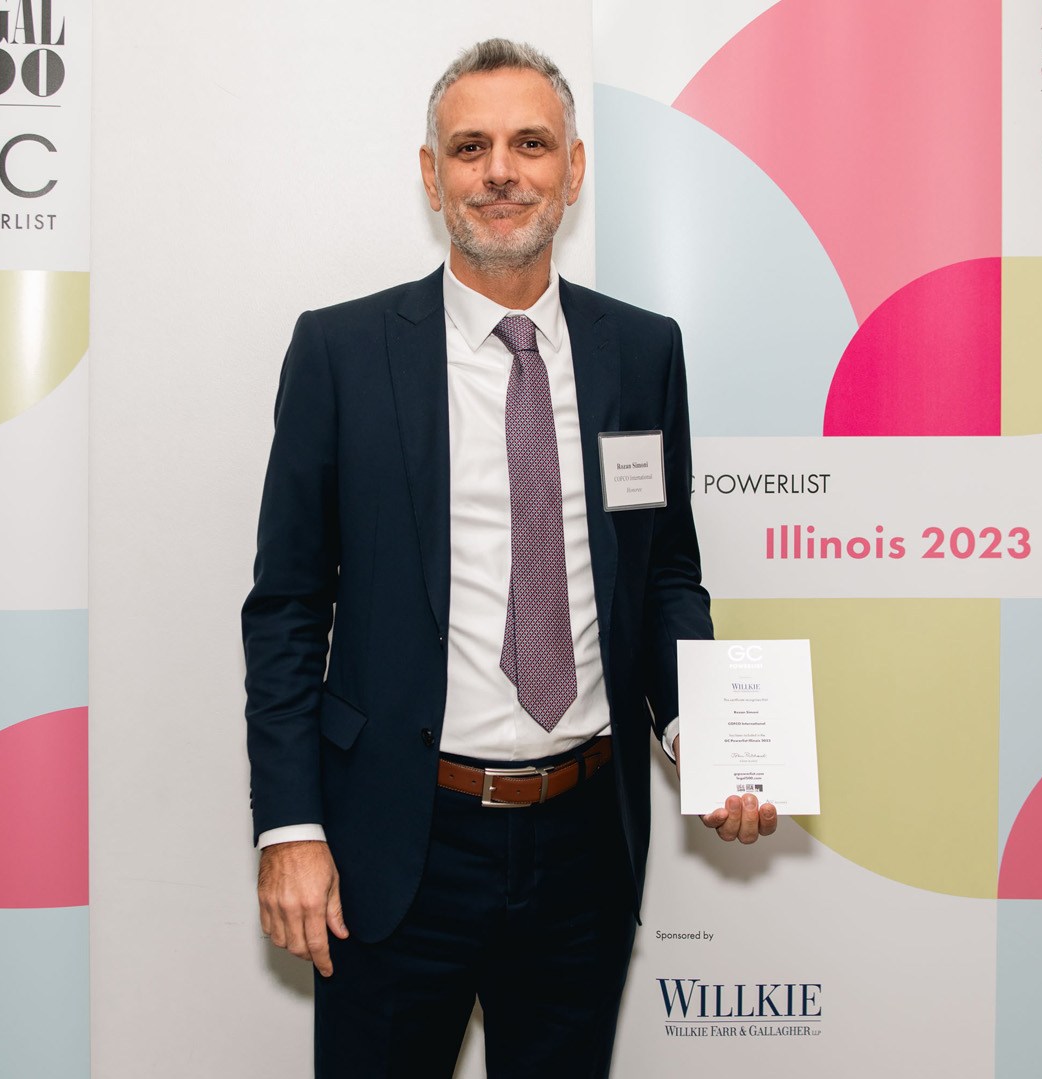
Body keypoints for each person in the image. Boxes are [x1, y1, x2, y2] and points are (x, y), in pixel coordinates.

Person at [242, 38, 776, 1078]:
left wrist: (705, 734)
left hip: (586, 843)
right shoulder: (342, 353)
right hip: (395, 841)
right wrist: (289, 825)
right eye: (470, 147)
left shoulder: (641, 350)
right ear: (431, 173)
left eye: (530, 144)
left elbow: (665, 569)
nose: (500, 172)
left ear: (572, 170)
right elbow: (289, 607)